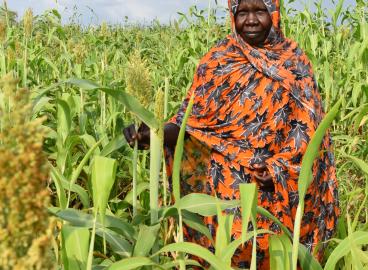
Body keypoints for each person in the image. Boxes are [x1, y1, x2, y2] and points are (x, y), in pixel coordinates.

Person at [124, 0, 339, 268]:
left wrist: (278, 169)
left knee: (278, 258)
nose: (250, 20)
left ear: (274, 13)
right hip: (224, 196)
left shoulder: (294, 62)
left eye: (259, 11)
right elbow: (190, 125)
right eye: (243, 12)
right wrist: (153, 134)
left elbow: (309, 129)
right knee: (227, 256)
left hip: (273, 193)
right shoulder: (217, 61)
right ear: (232, 15)